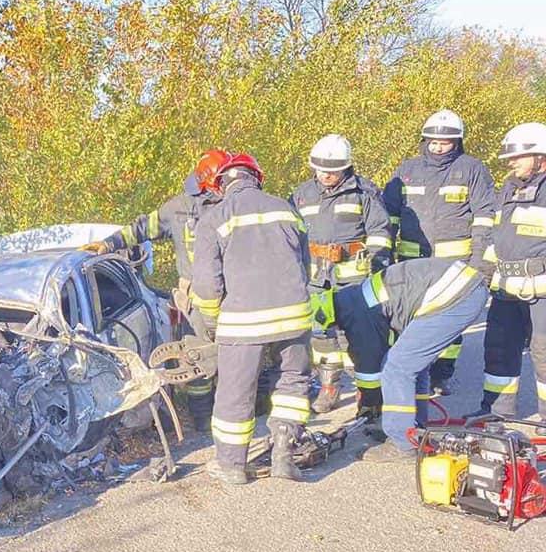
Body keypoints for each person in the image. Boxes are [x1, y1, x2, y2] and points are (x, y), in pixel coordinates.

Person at [82, 149, 229, 431]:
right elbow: (142, 228)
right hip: (194, 301)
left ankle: (238, 414)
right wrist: (109, 244)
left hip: (234, 297)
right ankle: (202, 420)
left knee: (237, 359)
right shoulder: (180, 208)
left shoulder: (234, 208)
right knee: (195, 359)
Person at [191, 151, 313, 484]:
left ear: (219, 186)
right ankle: (285, 456)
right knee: (292, 383)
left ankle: (232, 466)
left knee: (235, 392)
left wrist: (215, 321)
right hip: (294, 317)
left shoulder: (214, 218)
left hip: (243, 322)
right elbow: (306, 264)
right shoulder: (287, 209)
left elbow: (205, 283)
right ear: (256, 177)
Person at [310, 258, 489, 463]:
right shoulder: (353, 297)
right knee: (413, 365)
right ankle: (415, 428)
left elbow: (369, 366)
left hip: (455, 295)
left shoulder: (357, 314)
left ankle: (402, 444)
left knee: (396, 367)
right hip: (462, 288)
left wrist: (370, 403)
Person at [384, 109, 498, 394]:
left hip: (454, 264)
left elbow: (485, 217)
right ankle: (414, 369)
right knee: (410, 318)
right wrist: (385, 256)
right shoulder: (407, 170)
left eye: (445, 142)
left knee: (449, 319)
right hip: (413, 262)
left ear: (457, 142)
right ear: (424, 140)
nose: (438, 146)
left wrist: (480, 262)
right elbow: (389, 215)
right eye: (432, 141)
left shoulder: (471, 169)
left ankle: (442, 373)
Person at [290, 134, 392, 413]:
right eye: (320, 169)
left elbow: (380, 233)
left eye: (332, 170)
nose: (325, 175)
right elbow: (291, 235)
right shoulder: (301, 195)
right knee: (320, 334)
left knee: (357, 337)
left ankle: (365, 389)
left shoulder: (364, 193)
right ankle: (329, 387)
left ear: (346, 167)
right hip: (316, 280)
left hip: (353, 281)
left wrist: (379, 266)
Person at [475, 122, 546, 421]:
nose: (512, 162)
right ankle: (497, 412)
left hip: (541, 290)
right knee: (499, 350)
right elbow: (496, 238)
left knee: (544, 354)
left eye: (519, 156)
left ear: (541, 156)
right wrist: (482, 276)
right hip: (505, 290)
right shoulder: (509, 189)